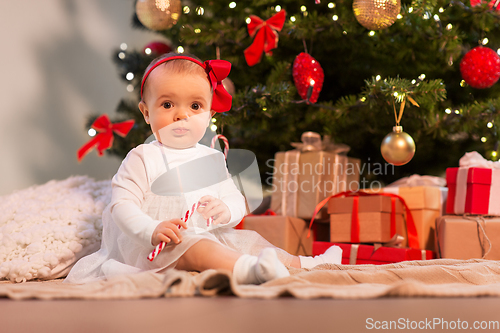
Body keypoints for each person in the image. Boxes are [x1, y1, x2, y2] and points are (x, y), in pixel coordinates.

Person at [65, 53, 341, 285]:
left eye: (195, 105)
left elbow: (233, 198)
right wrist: (152, 229)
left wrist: (226, 210)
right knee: (198, 247)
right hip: (158, 247)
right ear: (146, 112)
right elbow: (121, 206)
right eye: (167, 104)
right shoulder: (143, 157)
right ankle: (251, 272)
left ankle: (306, 263)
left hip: (208, 234)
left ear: (210, 114)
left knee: (252, 242)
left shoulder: (211, 158)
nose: (182, 114)